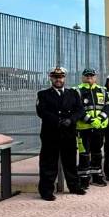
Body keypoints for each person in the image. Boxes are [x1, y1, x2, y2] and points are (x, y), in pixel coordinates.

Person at [36, 67, 85, 201]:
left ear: (64, 78)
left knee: (70, 162)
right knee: (48, 163)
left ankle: (74, 186)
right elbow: (42, 112)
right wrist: (58, 121)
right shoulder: (43, 94)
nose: (58, 79)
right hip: (50, 133)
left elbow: (80, 110)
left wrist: (71, 120)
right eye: (55, 77)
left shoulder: (73, 93)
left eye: (61, 77)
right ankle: (46, 191)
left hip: (68, 133)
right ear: (50, 78)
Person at [74, 68, 109, 188]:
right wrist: (90, 120)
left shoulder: (103, 90)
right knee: (84, 154)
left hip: (99, 128)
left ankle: (97, 177)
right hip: (83, 128)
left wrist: (99, 119)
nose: (89, 77)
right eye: (87, 75)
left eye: (92, 75)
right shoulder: (77, 91)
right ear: (83, 77)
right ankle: (83, 179)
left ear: (95, 77)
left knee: (97, 153)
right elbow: (77, 109)